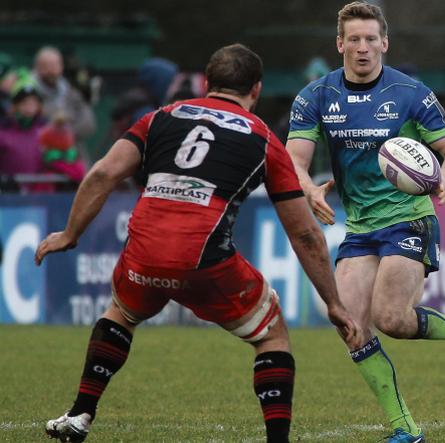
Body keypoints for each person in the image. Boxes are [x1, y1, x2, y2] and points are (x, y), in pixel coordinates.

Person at [38, 43, 359, 443]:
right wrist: (333, 302)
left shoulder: (158, 118)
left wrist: (70, 234)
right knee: (271, 334)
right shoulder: (263, 139)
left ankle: (80, 414)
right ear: (256, 90)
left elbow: (103, 174)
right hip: (206, 261)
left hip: (145, 253)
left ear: (207, 83)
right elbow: (305, 234)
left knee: (120, 311)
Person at [285, 3, 445, 442]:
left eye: (371, 39)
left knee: (391, 317)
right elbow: (294, 159)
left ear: (385, 43)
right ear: (339, 45)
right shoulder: (316, 96)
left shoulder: (411, 93)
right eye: (354, 40)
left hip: (410, 218)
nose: (362, 48)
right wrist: (308, 188)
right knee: (349, 324)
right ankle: (405, 428)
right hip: (361, 226)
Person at [33, 46, 96, 144]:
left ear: (61, 67)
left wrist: (66, 134)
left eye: (54, 66)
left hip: (71, 149)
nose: (50, 71)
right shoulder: (29, 93)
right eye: (46, 66)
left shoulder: (71, 92)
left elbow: (88, 123)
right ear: (37, 68)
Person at [0, 74, 51, 192]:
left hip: (41, 197)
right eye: (24, 103)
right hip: (7, 197)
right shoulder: (3, 131)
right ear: (14, 106)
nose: (29, 108)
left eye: (33, 103)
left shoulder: (46, 131)